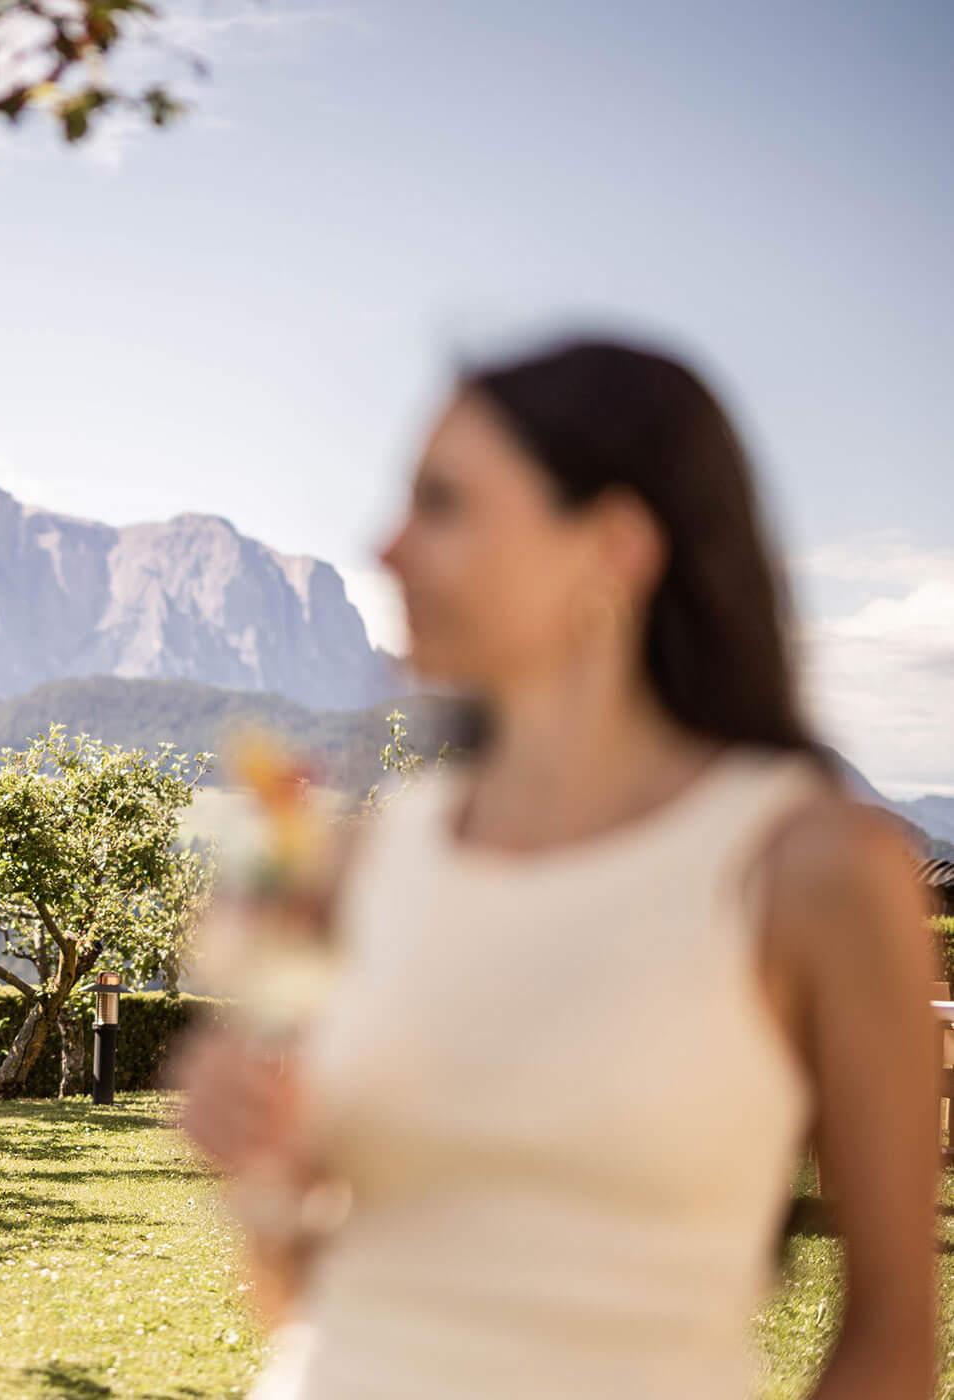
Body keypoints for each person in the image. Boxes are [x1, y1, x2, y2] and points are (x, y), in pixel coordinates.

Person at [171, 339, 940, 1398]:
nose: (385, 545)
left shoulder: (815, 870)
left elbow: (893, 1343)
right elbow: (312, 1302)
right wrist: (260, 1176)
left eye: (443, 504)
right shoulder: (367, 853)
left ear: (612, 547)